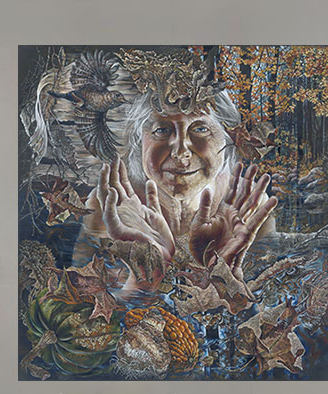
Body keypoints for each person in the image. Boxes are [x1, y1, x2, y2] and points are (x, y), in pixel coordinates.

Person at [74, 90, 278, 293]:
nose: (181, 152)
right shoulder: (111, 206)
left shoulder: (249, 206)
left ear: (227, 138)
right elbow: (80, 302)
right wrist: (143, 278)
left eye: (201, 129)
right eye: (162, 130)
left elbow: (268, 302)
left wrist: (224, 274)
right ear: (139, 140)